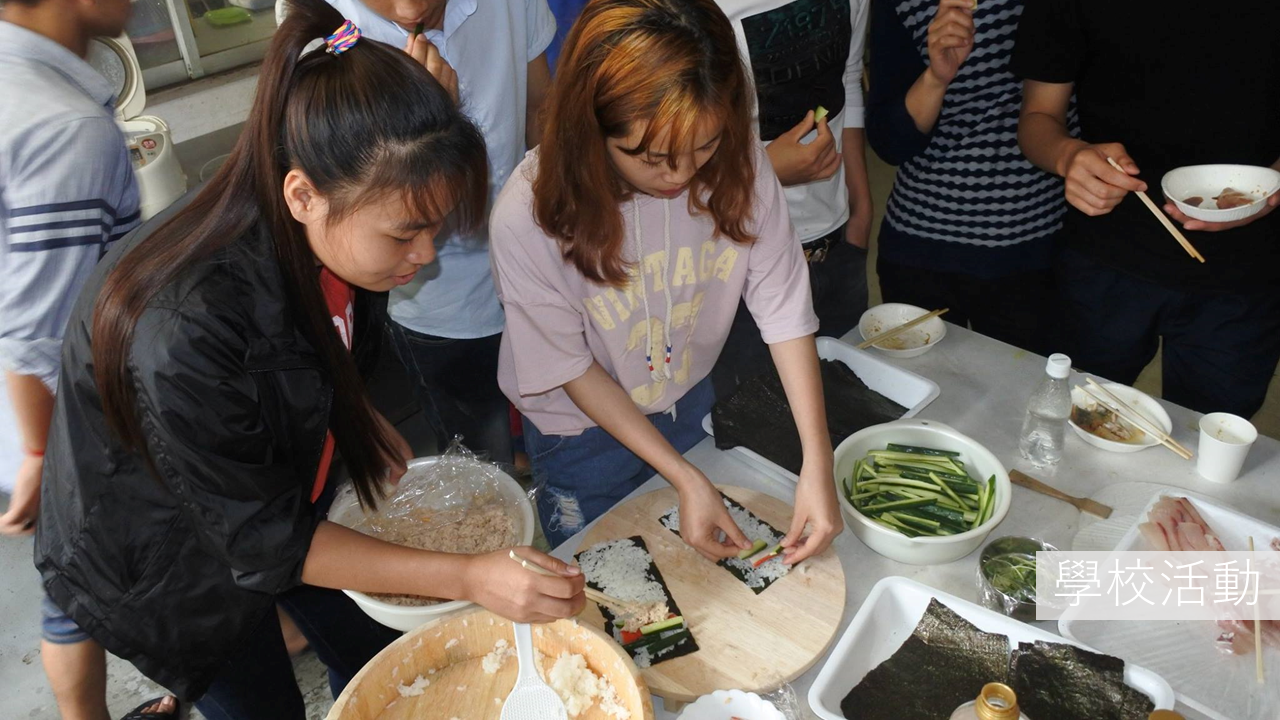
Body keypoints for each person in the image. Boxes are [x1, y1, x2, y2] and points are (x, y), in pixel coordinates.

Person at [33, 4, 584, 719]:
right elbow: (266, 541)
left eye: (437, 229)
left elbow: (327, 351)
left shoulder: (337, 237)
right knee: (257, 696)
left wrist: (354, 412)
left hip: (276, 494)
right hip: (169, 555)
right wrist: (471, 574)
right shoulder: (181, 329)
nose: (425, 258)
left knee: (375, 655)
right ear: (304, 195)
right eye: (407, 235)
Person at [489, 0, 843, 561]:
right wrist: (684, 475)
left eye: (703, 146)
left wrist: (817, 460)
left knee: (699, 565)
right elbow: (569, 366)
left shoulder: (739, 165)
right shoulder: (531, 212)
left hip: (685, 396)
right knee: (616, 581)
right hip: (580, 432)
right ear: (592, 128)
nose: (679, 176)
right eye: (652, 157)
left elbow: (783, 307)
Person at [0, 0, 181, 717]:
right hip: (57, 415)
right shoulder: (65, 127)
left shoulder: (23, 80)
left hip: (41, 412)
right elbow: (36, 330)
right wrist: (46, 454)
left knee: (77, 577)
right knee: (76, 587)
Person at [1013, 0, 1280, 417]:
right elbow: (1038, 116)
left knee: (1210, 450)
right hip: (1104, 255)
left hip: (1248, 274)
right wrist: (1068, 156)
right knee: (1070, 419)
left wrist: (1271, 188)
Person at [321, 0, 556, 466]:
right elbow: (354, 210)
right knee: (483, 461)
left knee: (553, 433)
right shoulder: (323, 26)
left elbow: (541, 112)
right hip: (439, 308)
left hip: (536, 272)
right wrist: (427, 116)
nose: (411, 8)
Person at [865, 0, 1066, 355]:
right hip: (922, 244)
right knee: (920, 401)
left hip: (1037, 245)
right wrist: (936, 77)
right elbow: (890, 143)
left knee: (1022, 402)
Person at [709, 0, 874, 399]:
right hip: (741, 263)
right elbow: (669, 155)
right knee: (754, 428)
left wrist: (861, 205)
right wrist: (766, 172)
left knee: (847, 411)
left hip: (837, 249)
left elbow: (848, 78)